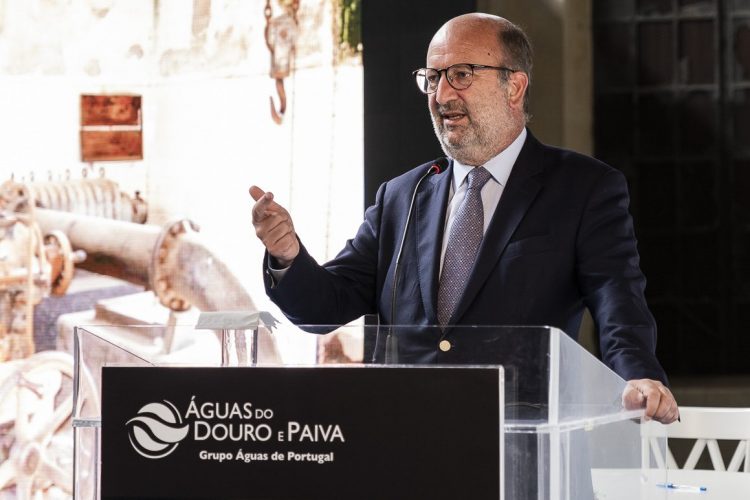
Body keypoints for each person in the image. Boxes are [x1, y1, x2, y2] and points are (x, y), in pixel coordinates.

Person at [250, 13, 678, 425]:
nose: (441, 96)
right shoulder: (402, 195)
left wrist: (638, 375)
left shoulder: (582, 188)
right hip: (404, 440)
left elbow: (617, 301)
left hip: (522, 447)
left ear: (515, 86)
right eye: (432, 78)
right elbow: (325, 306)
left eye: (461, 75)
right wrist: (287, 255)